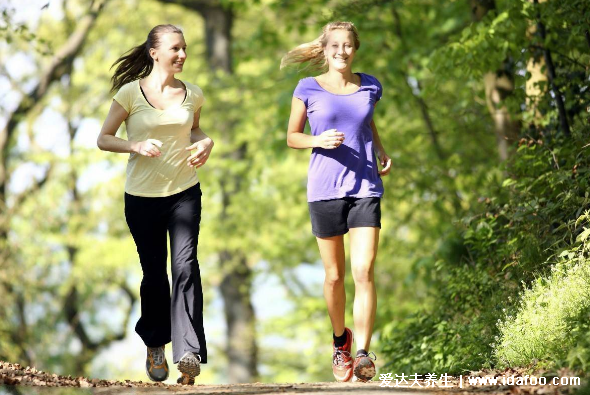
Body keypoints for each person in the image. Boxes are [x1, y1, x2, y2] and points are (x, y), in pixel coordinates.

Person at [97, 24, 213, 386]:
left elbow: (193, 130)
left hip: (184, 192)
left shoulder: (193, 93)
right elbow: (103, 138)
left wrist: (206, 141)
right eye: (175, 49)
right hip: (142, 198)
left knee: (186, 267)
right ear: (155, 52)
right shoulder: (130, 93)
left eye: (184, 49)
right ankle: (155, 343)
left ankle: (188, 352)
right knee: (154, 274)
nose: (182, 55)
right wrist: (134, 146)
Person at [282, 21, 391, 383]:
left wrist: (380, 150)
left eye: (348, 45)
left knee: (363, 271)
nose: (342, 51)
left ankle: (362, 353)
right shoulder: (307, 88)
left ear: (354, 48)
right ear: (325, 50)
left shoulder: (370, 85)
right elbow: (292, 137)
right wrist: (318, 140)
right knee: (334, 277)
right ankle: (340, 340)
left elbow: (367, 124)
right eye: (335, 46)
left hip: (365, 187)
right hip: (325, 189)